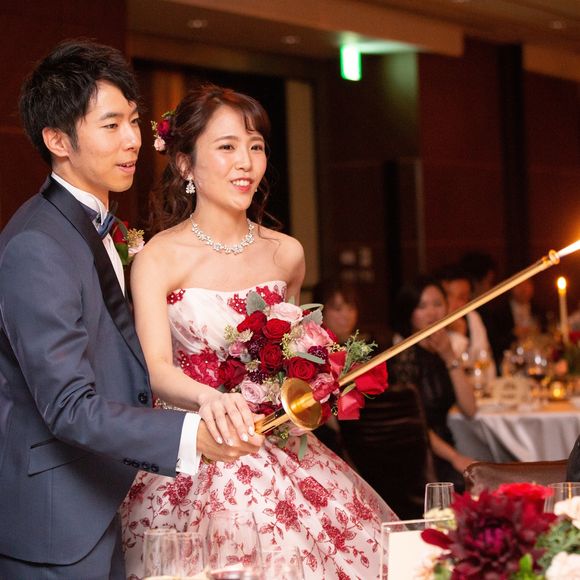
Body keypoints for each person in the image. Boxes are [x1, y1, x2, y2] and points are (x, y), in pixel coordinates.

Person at [0, 41, 261, 579]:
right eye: (111, 125)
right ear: (57, 140)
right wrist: (188, 434)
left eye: (134, 121)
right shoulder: (37, 245)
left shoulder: (95, 226)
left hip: (97, 498)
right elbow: (68, 405)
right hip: (54, 524)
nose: (132, 140)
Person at [120, 84, 397, 579]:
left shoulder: (285, 253)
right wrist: (212, 400)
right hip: (196, 446)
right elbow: (156, 370)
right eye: (226, 147)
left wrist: (312, 383)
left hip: (276, 445)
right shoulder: (158, 258)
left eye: (255, 146)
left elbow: (293, 351)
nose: (245, 163)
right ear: (185, 164)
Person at [389, 277, 476, 490]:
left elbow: (470, 408)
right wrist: (455, 457)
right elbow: (415, 422)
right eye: (422, 306)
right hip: (419, 454)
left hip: (445, 447)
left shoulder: (442, 350)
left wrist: (449, 356)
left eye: (437, 304)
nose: (432, 313)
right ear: (409, 312)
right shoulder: (404, 356)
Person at [435, 263, 496, 384]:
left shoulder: (472, 317)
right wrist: (459, 335)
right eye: (448, 296)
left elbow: (486, 364)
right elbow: (445, 375)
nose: (457, 304)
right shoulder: (429, 324)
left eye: (463, 297)